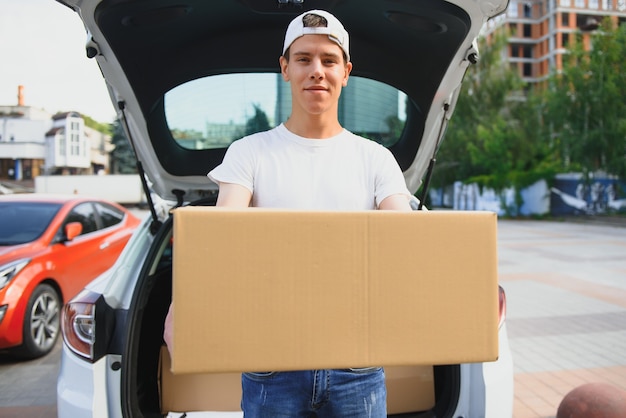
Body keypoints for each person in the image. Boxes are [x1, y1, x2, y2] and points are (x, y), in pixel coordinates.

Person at [164, 9, 412, 417]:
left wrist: (460, 285)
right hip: (270, 362)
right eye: (304, 59)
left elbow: (407, 241)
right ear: (285, 68)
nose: (317, 70)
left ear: (346, 71)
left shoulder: (376, 159)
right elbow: (220, 238)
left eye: (329, 60)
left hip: (356, 362)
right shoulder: (249, 153)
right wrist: (183, 303)